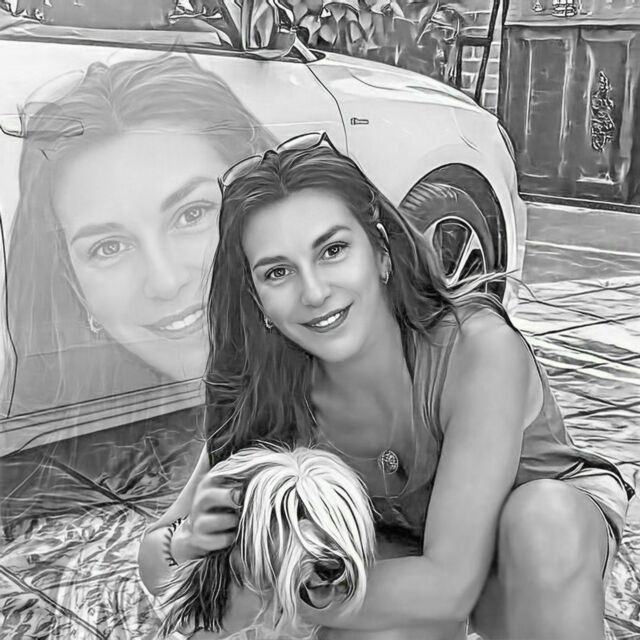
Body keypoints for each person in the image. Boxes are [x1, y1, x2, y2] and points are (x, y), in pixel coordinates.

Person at [138, 132, 634, 640]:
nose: (314, 292)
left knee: (543, 521)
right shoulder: (269, 394)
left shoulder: (477, 349)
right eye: (278, 272)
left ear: (380, 251)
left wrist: (268, 598)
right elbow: (156, 560)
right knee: (361, 611)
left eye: (333, 250)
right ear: (256, 299)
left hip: (524, 562)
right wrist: (189, 542)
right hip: (403, 552)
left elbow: (449, 587)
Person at [2, 53, 276, 417]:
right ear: (70, 282)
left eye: (192, 214)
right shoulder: (42, 443)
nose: (165, 281)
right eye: (109, 247)